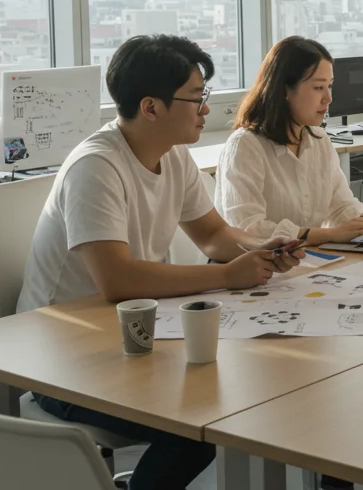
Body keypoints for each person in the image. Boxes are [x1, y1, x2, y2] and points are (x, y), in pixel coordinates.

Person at [17, 35, 304, 490]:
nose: (206, 109)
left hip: (129, 336)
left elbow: (212, 234)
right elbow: (117, 279)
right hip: (63, 359)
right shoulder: (96, 167)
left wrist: (265, 247)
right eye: (196, 98)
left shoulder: (173, 155)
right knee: (192, 432)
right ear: (151, 107)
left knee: (232, 392)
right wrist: (227, 275)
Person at [214, 36, 363, 247]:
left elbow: (340, 206)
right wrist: (330, 234)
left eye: (330, 86)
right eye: (318, 88)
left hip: (302, 262)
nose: (328, 98)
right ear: (285, 89)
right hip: (251, 268)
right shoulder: (245, 146)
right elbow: (249, 229)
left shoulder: (319, 140)